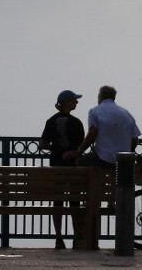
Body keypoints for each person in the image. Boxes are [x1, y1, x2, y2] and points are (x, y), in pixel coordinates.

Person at [39, 89, 85, 249]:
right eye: (74, 100)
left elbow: (42, 144)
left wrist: (55, 149)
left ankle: (58, 238)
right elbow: (81, 146)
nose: (77, 102)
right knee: (75, 203)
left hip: (56, 166)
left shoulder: (51, 121)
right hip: (73, 168)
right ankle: (77, 237)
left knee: (57, 202)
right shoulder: (77, 123)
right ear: (67, 102)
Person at [65, 85, 140, 168]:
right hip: (123, 161)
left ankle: (93, 181)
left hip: (103, 158)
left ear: (100, 96)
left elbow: (93, 133)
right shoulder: (126, 114)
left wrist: (79, 151)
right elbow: (135, 139)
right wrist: (127, 153)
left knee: (79, 162)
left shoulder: (95, 111)